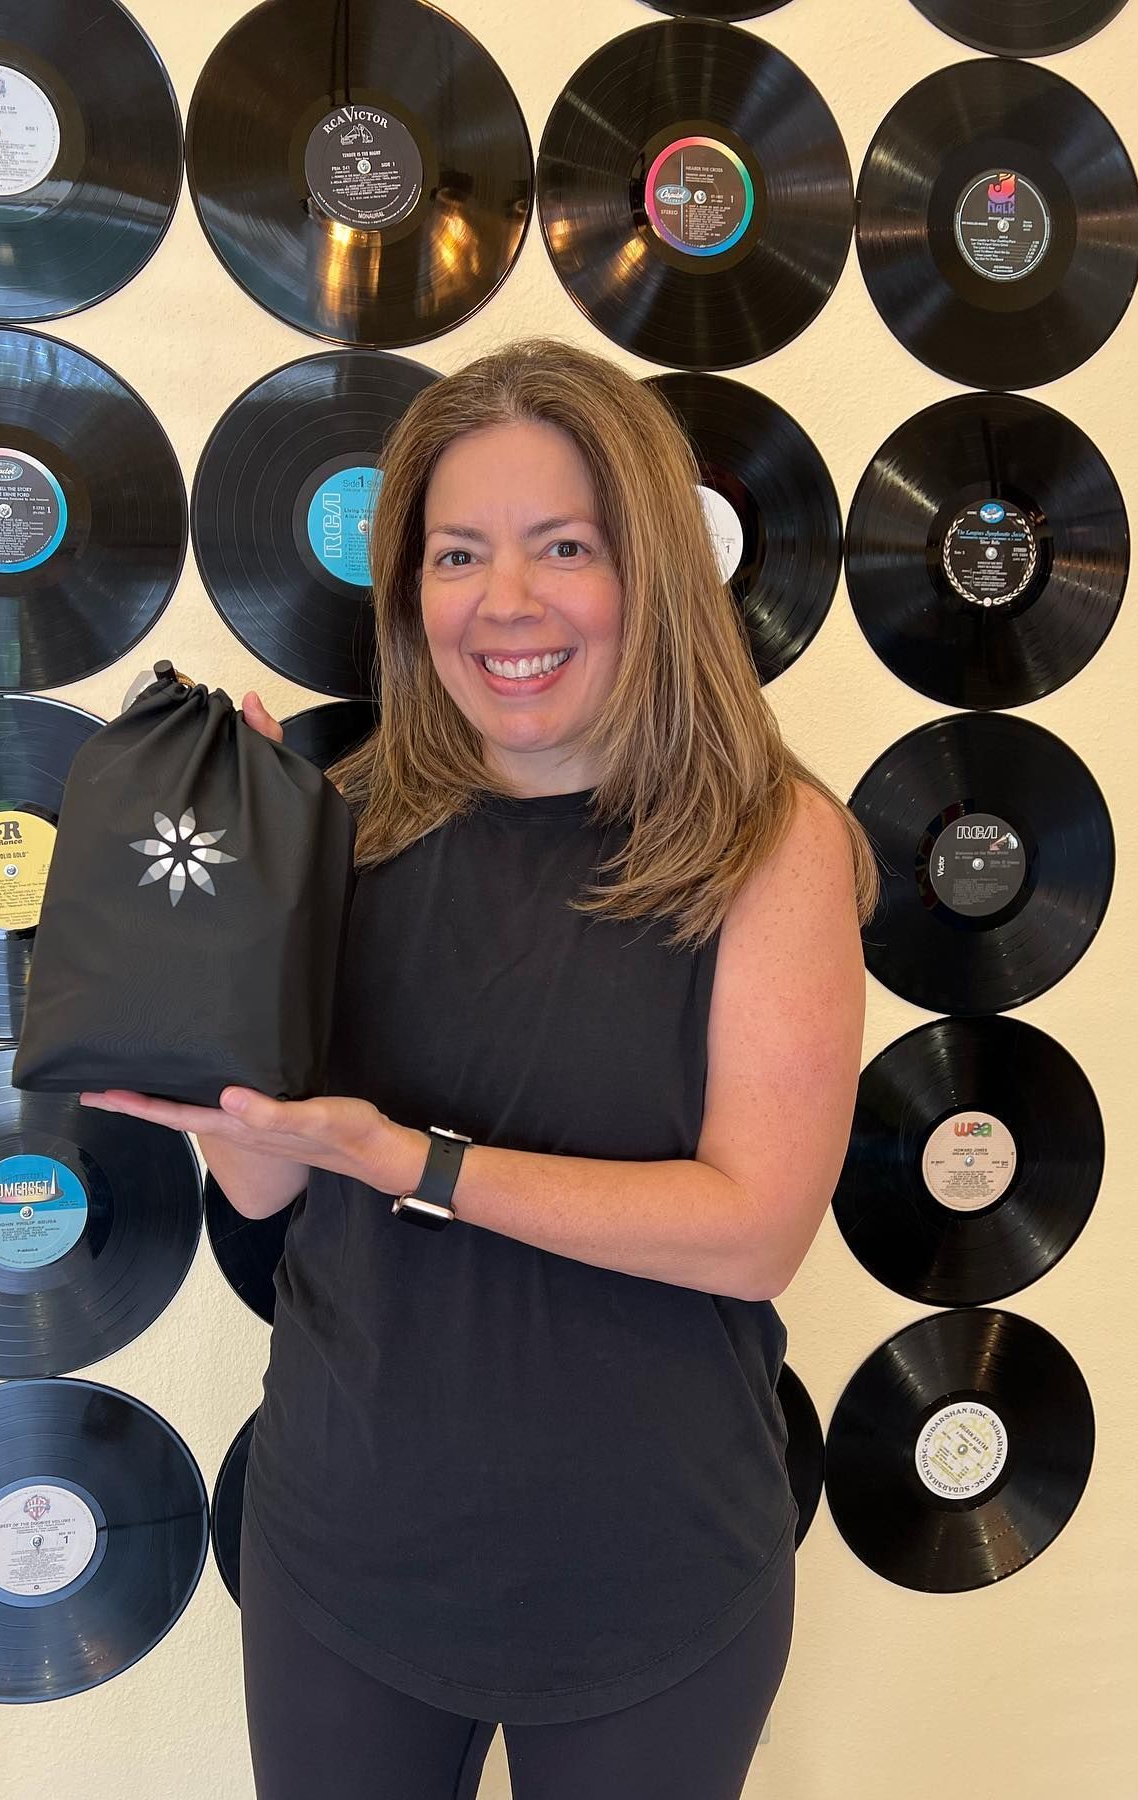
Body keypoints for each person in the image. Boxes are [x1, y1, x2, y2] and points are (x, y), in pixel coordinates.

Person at [81, 336, 876, 1799]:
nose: (504, 603)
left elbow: (756, 1230)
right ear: (408, 590)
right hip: (344, 1557)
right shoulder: (335, 826)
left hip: (653, 1577)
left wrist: (414, 1163)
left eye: (561, 546)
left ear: (651, 573)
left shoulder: (775, 846)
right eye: (458, 554)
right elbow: (266, 1200)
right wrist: (209, 1000)